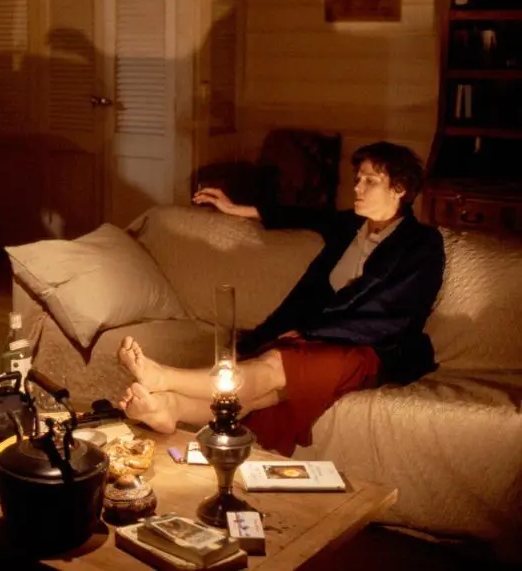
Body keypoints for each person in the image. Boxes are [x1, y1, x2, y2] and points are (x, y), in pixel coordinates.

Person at [116, 142, 445, 456]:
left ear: (399, 189)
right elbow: (302, 216)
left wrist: (311, 332)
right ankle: (170, 408)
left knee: (272, 366)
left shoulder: (422, 243)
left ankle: (164, 377)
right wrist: (235, 209)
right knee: (265, 396)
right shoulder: (350, 226)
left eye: (370, 181)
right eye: (358, 178)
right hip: (321, 340)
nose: (357, 187)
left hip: (371, 350)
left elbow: (388, 312)